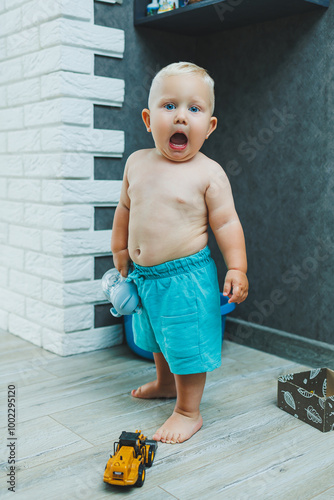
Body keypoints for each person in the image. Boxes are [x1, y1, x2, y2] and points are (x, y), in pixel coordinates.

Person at [111, 62, 248, 444]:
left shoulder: (208, 173)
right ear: (148, 119)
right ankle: (164, 383)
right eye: (169, 106)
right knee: (155, 335)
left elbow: (227, 224)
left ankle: (189, 410)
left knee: (186, 341)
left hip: (185, 279)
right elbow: (124, 208)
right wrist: (120, 247)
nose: (182, 117)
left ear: (210, 125)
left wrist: (237, 266)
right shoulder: (136, 163)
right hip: (143, 275)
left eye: (194, 108)